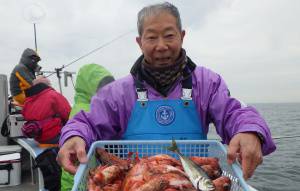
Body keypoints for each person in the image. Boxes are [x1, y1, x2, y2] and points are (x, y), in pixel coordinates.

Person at [57, 2, 276, 181]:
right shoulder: (118, 93)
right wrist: (73, 136)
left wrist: (250, 130)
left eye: (169, 36)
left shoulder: (207, 83)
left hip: (192, 185)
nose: (161, 45)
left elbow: (233, 112)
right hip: (133, 187)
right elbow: (86, 122)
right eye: (151, 37)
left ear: (182, 36)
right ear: (139, 42)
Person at [59, 63, 114, 191]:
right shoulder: (85, 111)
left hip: (82, 189)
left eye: (110, 86)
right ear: (90, 88)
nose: (107, 92)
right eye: (102, 87)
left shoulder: (79, 106)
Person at [21, 78, 71, 145]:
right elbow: (68, 113)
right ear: (47, 85)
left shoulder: (27, 99)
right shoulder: (53, 95)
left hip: (37, 136)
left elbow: (24, 114)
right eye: (50, 83)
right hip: (53, 136)